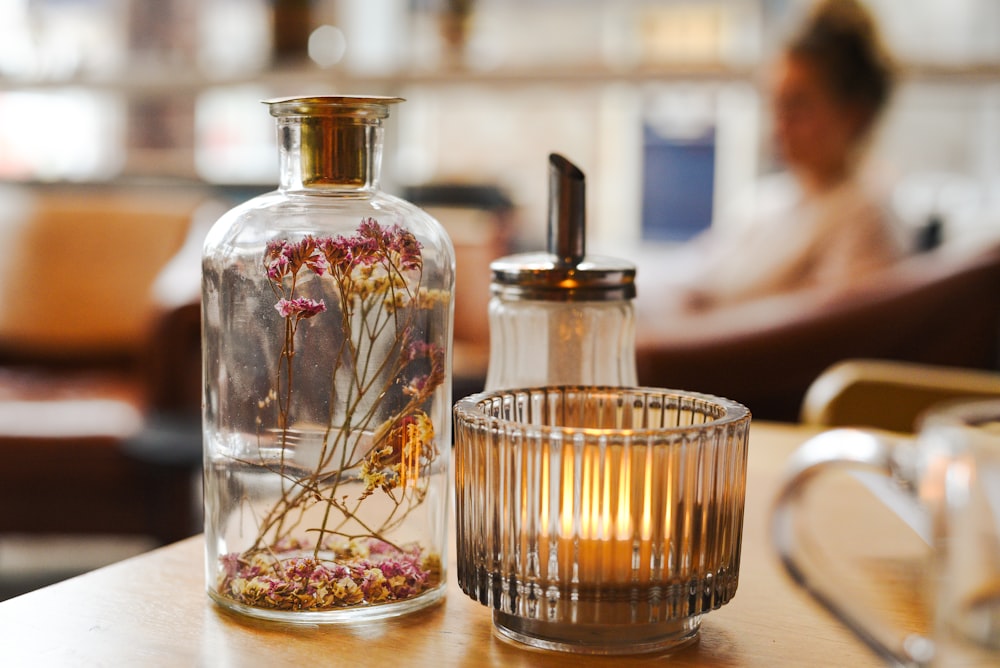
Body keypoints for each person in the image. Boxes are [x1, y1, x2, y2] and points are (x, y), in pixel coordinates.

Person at [644, 0, 909, 314]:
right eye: (777, 104)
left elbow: (825, 336)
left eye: (798, 106)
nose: (780, 125)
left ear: (854, 115)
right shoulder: (768, 201)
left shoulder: (864, 219)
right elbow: (692, 276)